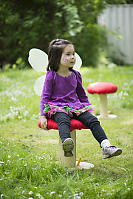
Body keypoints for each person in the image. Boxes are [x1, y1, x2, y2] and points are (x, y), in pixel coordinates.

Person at [40, 39, 122, 158]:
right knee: (63, 120)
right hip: (57, 107)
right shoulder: (51, 75)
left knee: (93, 121)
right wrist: (43, 115)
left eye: (73, 53)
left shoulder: (75, 75)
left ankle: (106, 147)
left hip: (75, 106)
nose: (73, 57)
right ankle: (67, 144)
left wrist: (89, 109)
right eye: (68, 54)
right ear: (57, 57)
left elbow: (82, 94)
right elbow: (45, 96)